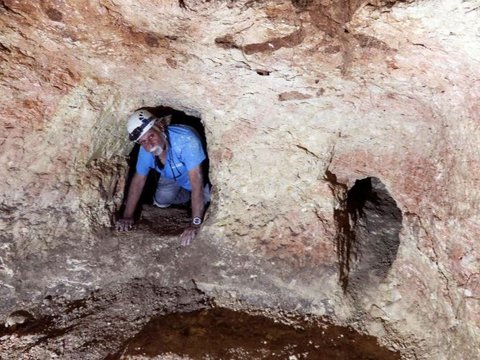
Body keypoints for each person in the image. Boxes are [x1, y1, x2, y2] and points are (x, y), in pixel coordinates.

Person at [115, 109, 210, 246]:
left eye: (151, 136)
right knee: (161, 201)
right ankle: (190, 200)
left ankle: (197, 203)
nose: (149, 144)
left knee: (207, 204)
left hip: (199, 180)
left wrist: (195, 223)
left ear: (160, 126)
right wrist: (127, 216)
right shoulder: (146, 150)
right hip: (173, 176)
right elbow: (138, 180)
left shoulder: (186, 140)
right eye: (143, 142)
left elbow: (197, 183)